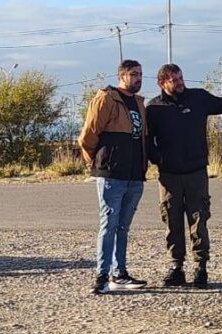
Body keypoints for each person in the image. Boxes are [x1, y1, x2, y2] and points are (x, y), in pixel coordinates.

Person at [146, 63, 222, 288]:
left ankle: (201, 268)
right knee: (172, 220)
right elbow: (147, 140)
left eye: (181, 78)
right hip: (169, 176)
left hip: (196, 172)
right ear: (162, 83)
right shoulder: (154, 109)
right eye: (174, 80)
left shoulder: (198, 98)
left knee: (199, 220)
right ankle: (176, 267)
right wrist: (157, 158)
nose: (180, 83)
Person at [78, 59, 150, 295]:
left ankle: (120, 274)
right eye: (133, 74)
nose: (138, 78)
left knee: (123, 227)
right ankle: (101, 276)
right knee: (108, 224)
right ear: (121, 76)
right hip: (112, 174)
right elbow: (88, 135)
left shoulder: (139, 103)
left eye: (140, 74)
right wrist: (96, 162)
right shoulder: (106, 99)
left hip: (135, 175)